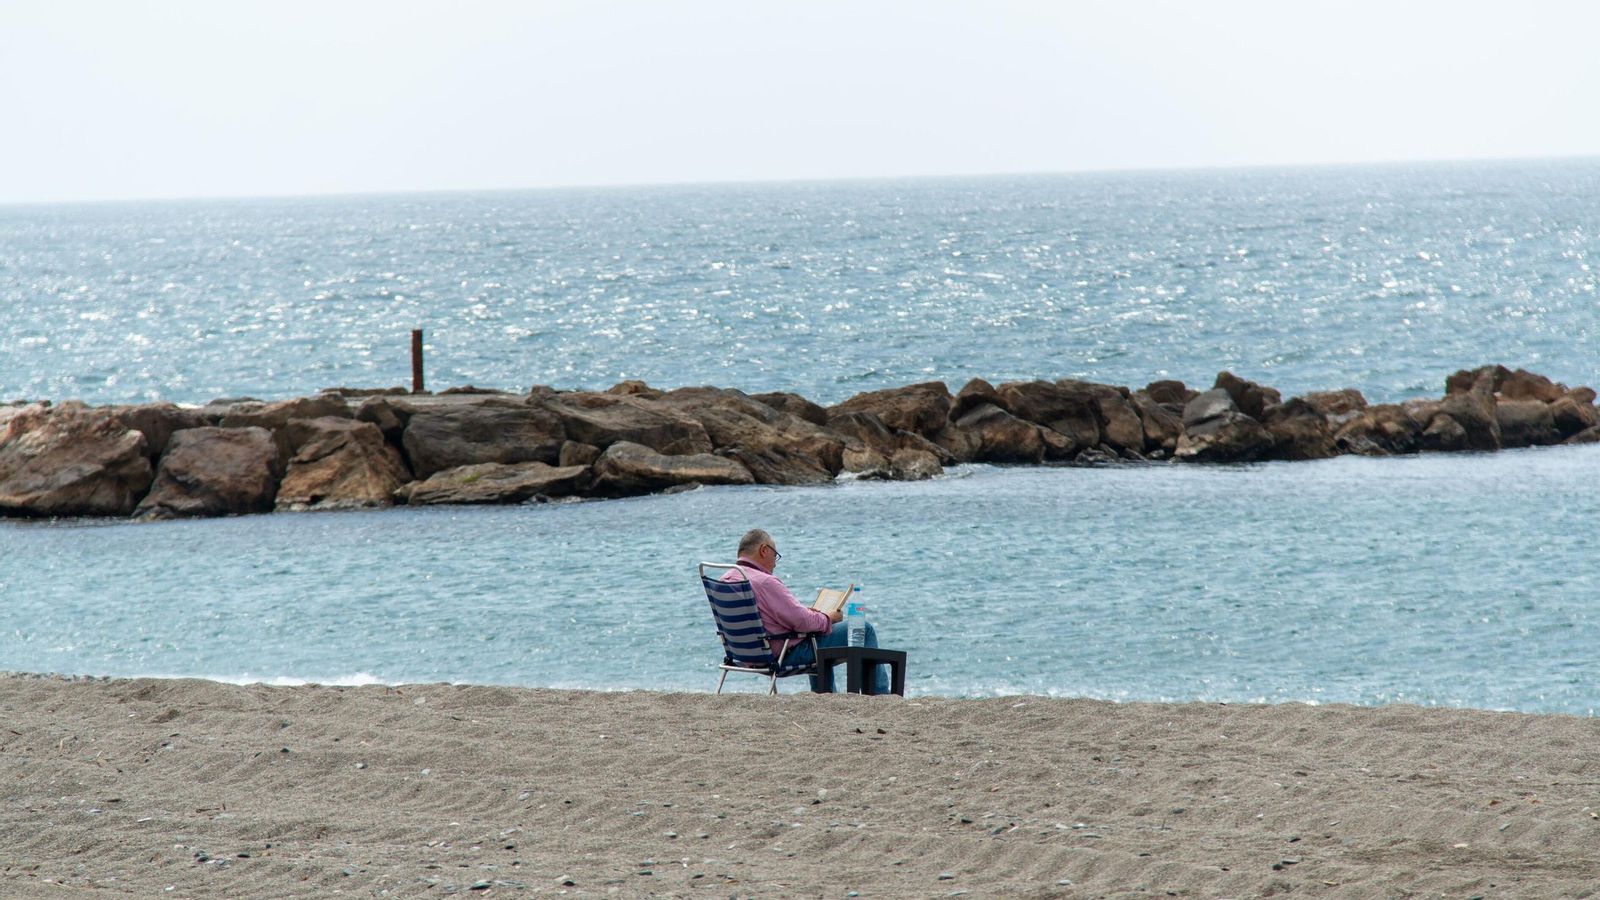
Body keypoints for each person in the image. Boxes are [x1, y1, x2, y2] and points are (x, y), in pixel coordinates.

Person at [723, 528, 889, 694]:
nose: (775, 563)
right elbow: (802, 622)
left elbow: (771, 618)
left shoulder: (727, 579)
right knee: (864, 630)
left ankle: (825, 695)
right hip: (781, 656)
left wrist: (813, 616)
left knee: (816, 633)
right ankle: (881, 696)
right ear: (764, 550)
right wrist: (828, 618)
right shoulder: (765, 582)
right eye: (775, 555)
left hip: (744, 656)